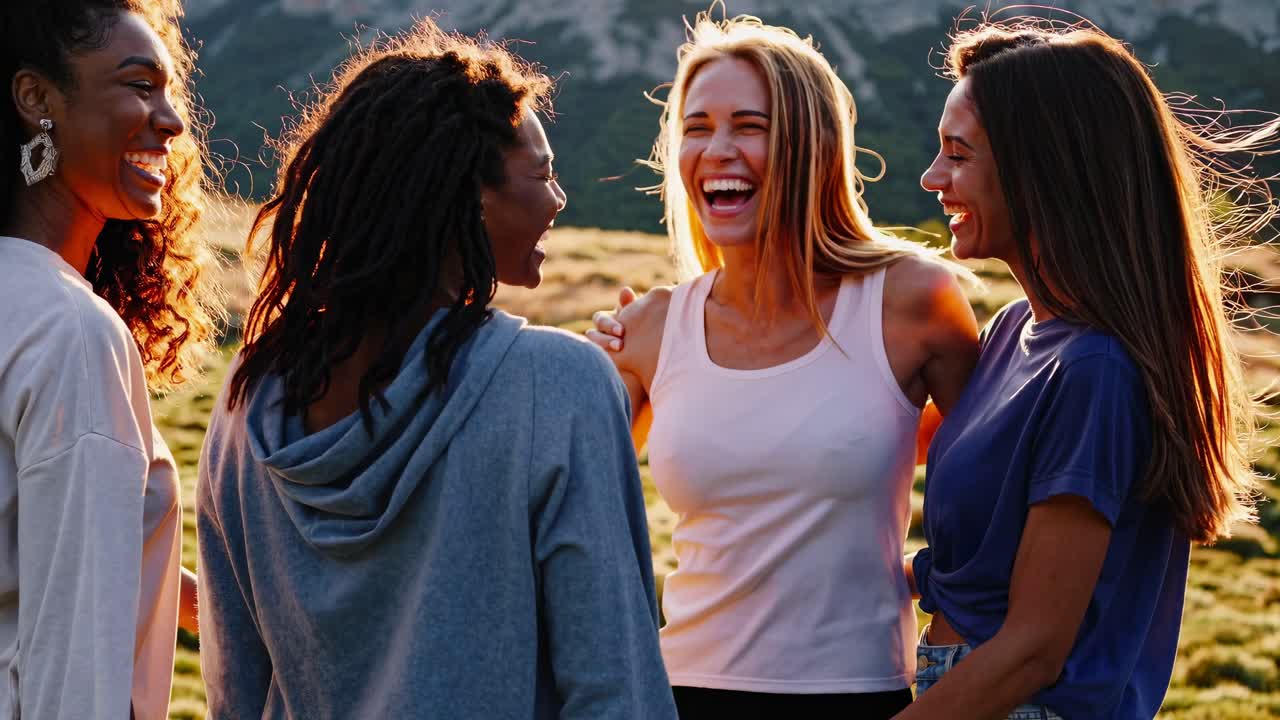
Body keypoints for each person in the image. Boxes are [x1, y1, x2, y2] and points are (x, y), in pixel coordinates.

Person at [195, 20, 677, 720]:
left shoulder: (248, 401)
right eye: (541, 174)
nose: (558, 201)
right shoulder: (557, 385)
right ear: (464, 198)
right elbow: (616, 687)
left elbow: (233, 690)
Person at [586, 11, 979, 718]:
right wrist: (572, 376)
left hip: (860, 693)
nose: (718, 150)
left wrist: (940, 605)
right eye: (697, 128)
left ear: (811, 145)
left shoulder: (913, 301)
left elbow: (990, 480)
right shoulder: (651, 326)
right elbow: (567, 501)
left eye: (750, 126)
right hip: (675, 692)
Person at [898, 19, 1277, 720]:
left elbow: (1036, 648)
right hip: (960, 687)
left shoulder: (1094, 371)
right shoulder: (1015, 331)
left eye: (957, 153)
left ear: (1039, 168)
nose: (931, 177)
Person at [0, 1, 217, 717]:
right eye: (138, 85)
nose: (172, 121)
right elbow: (76, 662)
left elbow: (51, 556)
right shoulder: (68, 330)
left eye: (167, 89)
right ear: (36, 99)